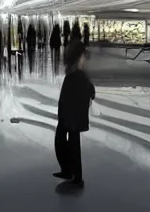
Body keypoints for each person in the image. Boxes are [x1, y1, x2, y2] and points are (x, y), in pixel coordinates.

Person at [53, 41, 95, 189]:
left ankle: (76, 176)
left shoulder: (77, 75)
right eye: (83, 56)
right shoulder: (74, 74)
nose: (85, 59)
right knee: (64, 141)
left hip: (72, 116)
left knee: (71, 143)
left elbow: (86, 92)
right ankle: (69, 172)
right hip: (70, 115)